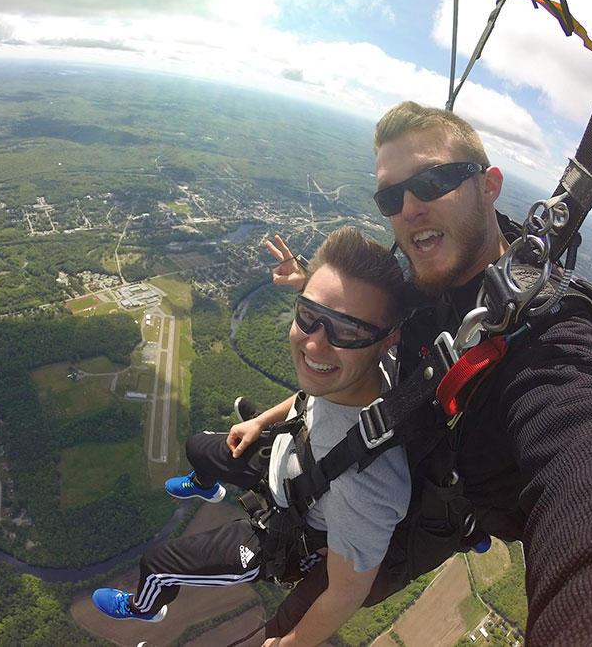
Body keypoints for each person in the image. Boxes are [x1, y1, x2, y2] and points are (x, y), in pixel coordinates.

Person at [259, 102, 592, 645]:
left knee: (281, 629)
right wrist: (309, 286)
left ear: (489, 185)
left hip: (418, 520)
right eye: (391, 197)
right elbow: (366, 320)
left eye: (434, 181)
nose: (409, 208)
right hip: (381, 465)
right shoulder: (431, 278)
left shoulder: (548, 339)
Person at [91, 226, 412, 647]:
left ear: (386, 341)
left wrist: (289, 644)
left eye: (346, 331)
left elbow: (346, 593)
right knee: (198, 447)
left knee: (158, 562)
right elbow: (312, 392)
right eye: (310, 315)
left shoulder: (370, 486)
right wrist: (260, 421)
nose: (316, 345)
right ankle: (206, 488)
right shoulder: (369, 369)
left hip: (282, 529)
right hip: (289, 457)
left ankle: (145, 607)